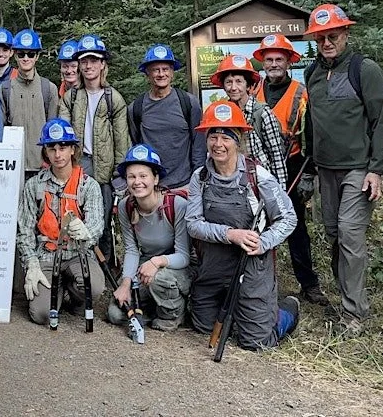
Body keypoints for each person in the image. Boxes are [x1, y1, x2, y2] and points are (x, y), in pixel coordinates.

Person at [303, 4, 383, 335]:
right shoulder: (312, 73)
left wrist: (376, 169)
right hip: (325, 169)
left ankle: (354, 314)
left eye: (333, 36)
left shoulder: (364, 70)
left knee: (350, 233)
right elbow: (311, 123)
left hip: (359, 169)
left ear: (345, 34)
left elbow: (382, 120)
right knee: (334, 235)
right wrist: (310, 166)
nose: (327, 42)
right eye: (320, 38)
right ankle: (346, 300)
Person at [186, 101, 300, 350]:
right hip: (213, 264)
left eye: (226, 137)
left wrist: (263, 242)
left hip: (250, 265)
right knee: (202, 326)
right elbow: (193, 224)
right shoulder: (200, 178)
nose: (218, 144)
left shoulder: (258, 177)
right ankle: (240, 309)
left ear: (238, 140)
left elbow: (288, 218)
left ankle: (287, 311)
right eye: (213, 137)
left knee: (256, 342)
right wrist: (230, 234)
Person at [251, 33, 328, 305]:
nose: (274, 64)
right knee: (256, 224)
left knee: (295, 226)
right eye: (269, 59)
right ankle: (258, 282)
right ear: (262, 62)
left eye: (279, 59)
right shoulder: (253, 90)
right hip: (258, 167)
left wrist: (309, 172)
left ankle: (309, 284)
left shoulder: (301, 92)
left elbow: (311, 134)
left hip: (292, 164)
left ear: (288, 62)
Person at [18, 118, 105, 325]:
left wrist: (86, 231)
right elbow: (25, 231)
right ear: (45, 152)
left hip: (78, 255)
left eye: (63, 147)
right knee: (41, 315)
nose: (58, 154)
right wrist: (31, 264)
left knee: (94, 287)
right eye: (52, 148)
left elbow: (97, 224)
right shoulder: (34, 186)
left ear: (73, 150)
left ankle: (75, 298)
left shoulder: (88, 186)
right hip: (47, 256)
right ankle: (54, 292)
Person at [58, 33, 130, 263]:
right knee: (75, 216)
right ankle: (76, 264)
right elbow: (63, 137)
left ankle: (104, 267)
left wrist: (120, 174)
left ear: (102, 64)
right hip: (78, 166)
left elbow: (121, 139)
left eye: (93, 60)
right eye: (84, 61)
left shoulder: (113, 98)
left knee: (103, 220)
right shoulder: (71, 97)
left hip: (105, 170)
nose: (88, 66)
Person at [107, 144, 191, 331]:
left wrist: (156, 262)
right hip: (145, 266)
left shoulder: (176, 205)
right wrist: (126, 283)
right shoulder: (126, 206)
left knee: (159, 279)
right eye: (132, 177)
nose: (137, 182)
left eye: (143, 176)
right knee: (115, 314)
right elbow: (131, 249)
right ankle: (150, 308)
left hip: (175, 268)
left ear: (156, 178)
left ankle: (173, 315)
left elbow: (184, 256)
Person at [128, 44, 205, 189]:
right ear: (147, 73)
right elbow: (135, 142)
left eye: (165, 69)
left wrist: (198, 178)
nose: (161, 74)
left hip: (185, 184)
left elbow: (198, 144)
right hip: (150, 187)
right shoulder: (136, 108)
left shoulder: (188, 103)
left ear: (172, 72)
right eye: (155, 70)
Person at [210, 54, 287, 185]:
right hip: (233, 183)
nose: (233, 87)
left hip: (260, 182)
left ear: (248, 85)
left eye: (239, 81)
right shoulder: (222, 115)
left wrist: (280, 190)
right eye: (229, 82)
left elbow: (276, 156)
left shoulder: (262, 113)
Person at [0, 28, 59, 178]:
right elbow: (0, 131)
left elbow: (54, 132)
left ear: (37, 56)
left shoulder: (49, 88)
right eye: (21, 54)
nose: (26, 58)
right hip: (13, 166)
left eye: (30, 54)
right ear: (15, 55)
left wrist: (50, 160)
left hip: (42, 167)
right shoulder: (5, 89)